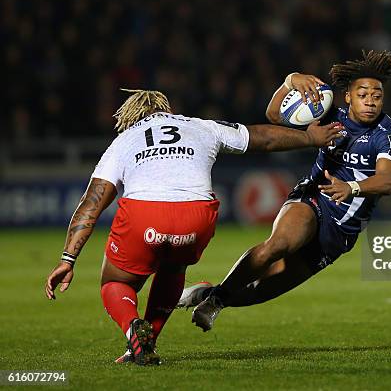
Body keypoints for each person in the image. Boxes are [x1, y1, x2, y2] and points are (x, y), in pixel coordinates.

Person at [44, 89, 342, 365]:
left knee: (116, 283)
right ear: (168, 111)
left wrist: (68, 259)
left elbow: (92, 202)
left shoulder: (125, 140)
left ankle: (132, 327)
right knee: (173, 270)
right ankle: (146, 344)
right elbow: (261, 137)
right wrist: (310, 139)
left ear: (130, 116)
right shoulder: (200, 126)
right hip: (197, 216)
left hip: (145, 215)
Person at [178, 50, 391, 333]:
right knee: (278, 245)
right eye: (363, 94)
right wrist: (289, 82)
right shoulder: (330, 115)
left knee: (257, 292)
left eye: (377, 96)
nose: (370, 101)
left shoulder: (388, 136)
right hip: (313, 200)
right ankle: (215, 303)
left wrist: (351, 187)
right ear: (348, 96)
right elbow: (273, 114)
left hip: (339, 233)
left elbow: (388, 181)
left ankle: (207, 295)